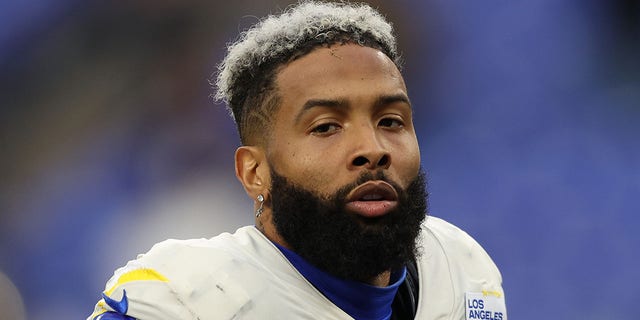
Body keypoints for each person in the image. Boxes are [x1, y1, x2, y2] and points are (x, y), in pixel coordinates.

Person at [88, 1, 506, 319]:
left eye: (391, 120)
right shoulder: (183, 298)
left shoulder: (464, 271)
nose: (372, 148)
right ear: (255, 172)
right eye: (326, 127)